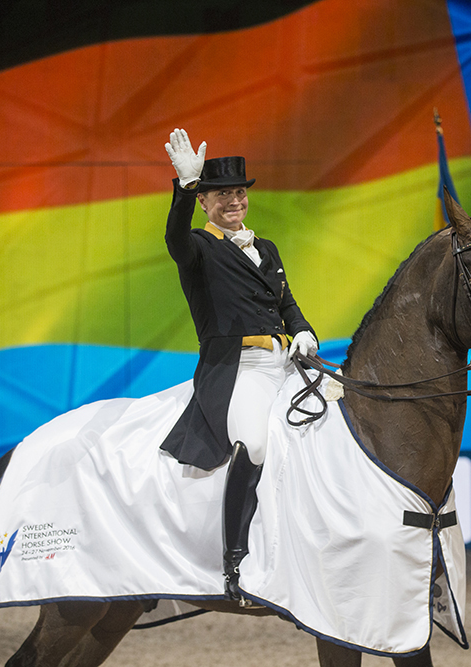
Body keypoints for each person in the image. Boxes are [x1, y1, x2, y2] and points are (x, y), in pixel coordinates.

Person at [158, 129, 318, 598]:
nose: (234, 201)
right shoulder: (197, 248)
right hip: (238, 368)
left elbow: (286, 303)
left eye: (239, 193)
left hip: (282, 362)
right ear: (206, 202)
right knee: (254, 444)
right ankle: (235, 563)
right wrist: (184, 187)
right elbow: (173, 235)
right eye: (222, 194)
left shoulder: (265, 248)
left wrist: (303, 330)